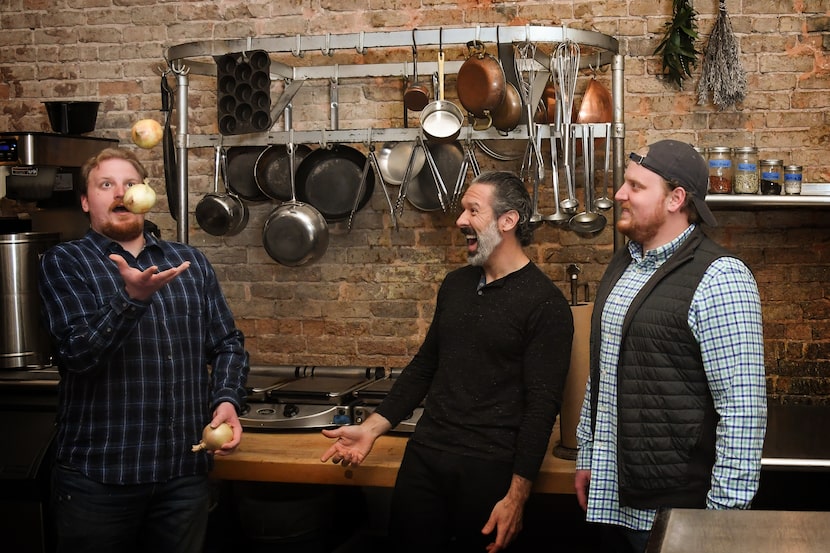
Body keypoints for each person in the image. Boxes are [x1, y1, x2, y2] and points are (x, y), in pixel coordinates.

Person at [321, 171, 574, 553]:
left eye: (473, 210)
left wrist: (518, 495)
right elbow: (425, 366)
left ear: (507, 221)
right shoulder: (455, 285)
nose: (460, 221)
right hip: (425, 457)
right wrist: (372, 428)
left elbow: (542, 407)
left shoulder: (545, 304)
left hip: (491, 469)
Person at [38, 147, 249, 553]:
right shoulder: (65, 262)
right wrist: (131, 299)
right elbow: (77, 354)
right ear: (85, 201)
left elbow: (227, 344)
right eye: (106, 184)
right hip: (99, 479)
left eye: (130, 184)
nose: (121, 193)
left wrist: (226, 399)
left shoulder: (189, 262)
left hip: (182, 476)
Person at [574, 140, 767, 552]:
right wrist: (588, 455)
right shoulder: (624, 262)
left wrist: (721, 526)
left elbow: (742, 410)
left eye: (636, 187)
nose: (620, 195)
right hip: (612, 501)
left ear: (676, 198)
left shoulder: (720, 278)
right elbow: (603, 370)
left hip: (673, 514)